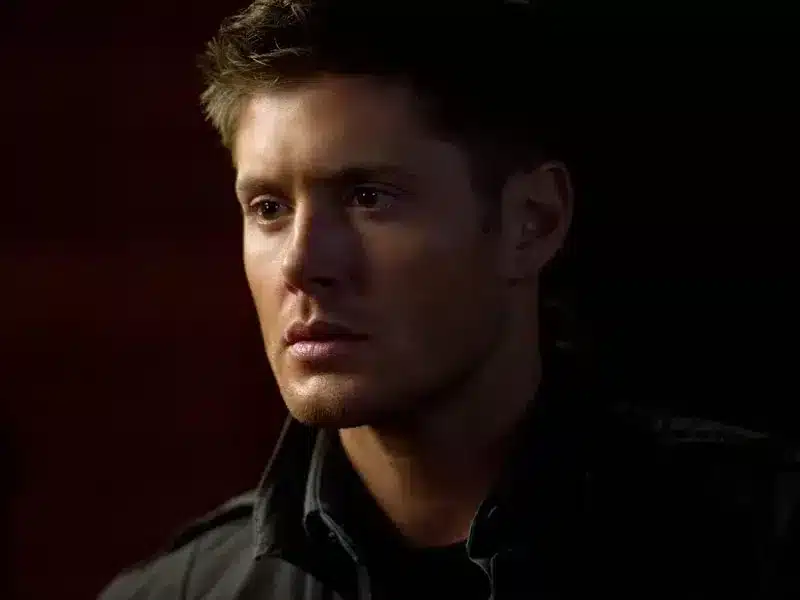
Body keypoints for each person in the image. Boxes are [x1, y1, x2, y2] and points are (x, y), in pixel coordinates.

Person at [99, 1, 799, 598]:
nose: (303, 264)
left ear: (532, 223)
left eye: (369, 197)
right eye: (269, 208)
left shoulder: (767, 541)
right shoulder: (178, 591)